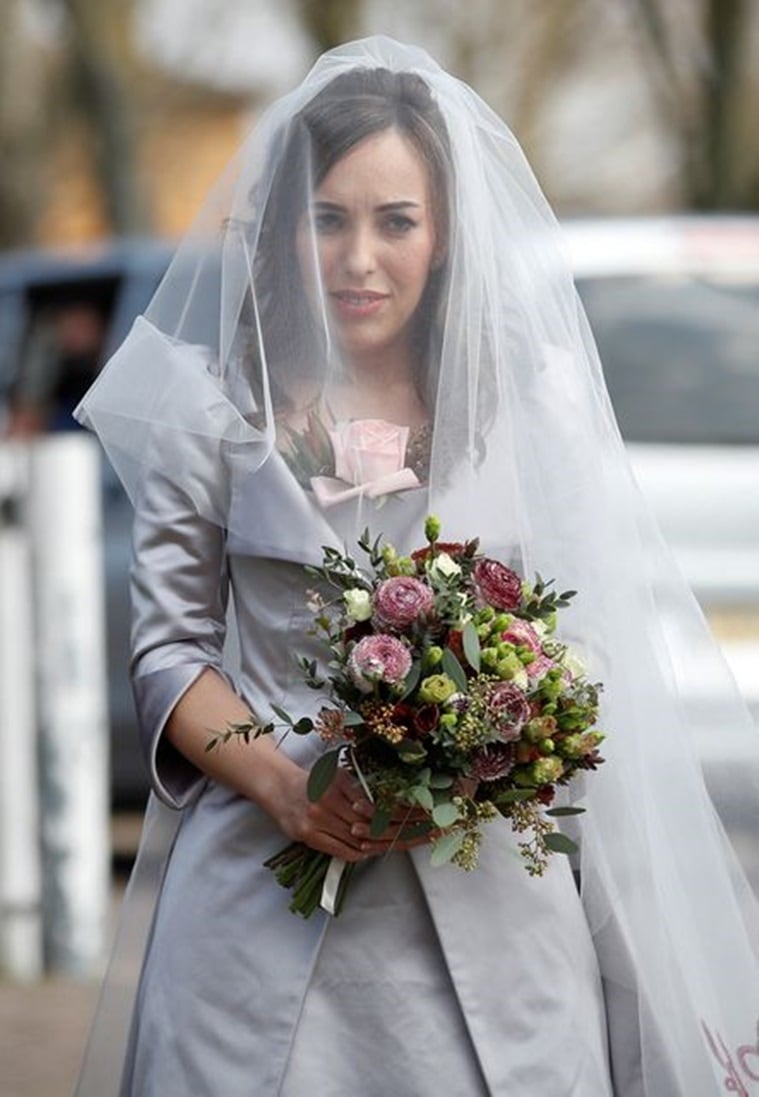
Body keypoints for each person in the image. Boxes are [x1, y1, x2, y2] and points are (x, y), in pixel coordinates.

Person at [74, 37, 759, 1096]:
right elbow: (167, 649)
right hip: (259, 910)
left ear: (445, 236)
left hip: (493, 920)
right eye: (329, 218)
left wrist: (491, 734)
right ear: (287, 227)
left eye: (396, 221)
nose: (359, 259)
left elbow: (582, 650)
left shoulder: (531, 405)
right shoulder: (211, 408)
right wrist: (285, 780)